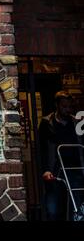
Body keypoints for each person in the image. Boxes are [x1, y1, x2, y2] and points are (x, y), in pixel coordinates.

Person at [39, 91, 84, 220]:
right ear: (57, 105)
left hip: (75, 169)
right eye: (64, 106)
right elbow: (42, 149)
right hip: (55, 170)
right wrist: (46, 169)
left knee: (77, 207)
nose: (67, 110)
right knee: (53, 209)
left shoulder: (76, 123)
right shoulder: (47, 123)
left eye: (70, 107)